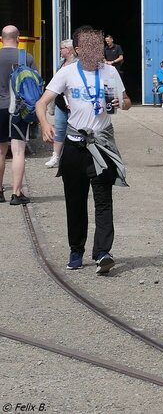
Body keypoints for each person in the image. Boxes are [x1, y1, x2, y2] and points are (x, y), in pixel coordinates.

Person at [34, 26, 130, 274]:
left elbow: (127, 101)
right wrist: (45, 124)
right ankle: (76, 250)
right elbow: (41, 103)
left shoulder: (109, 71)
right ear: (78, 50)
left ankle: (102, 253)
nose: (95, 50)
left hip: (102, 145)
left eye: (98, 45)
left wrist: (124, 103)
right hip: (75, 146)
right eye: (89, 46)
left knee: (103, 201)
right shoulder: (67, 73)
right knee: (75, 202)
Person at [0, 24, 30, 204]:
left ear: (2, 39)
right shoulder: (25, 57)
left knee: (0, 151)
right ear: (18, 38)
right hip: (18, 109)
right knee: (18, 151)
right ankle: (16, 194)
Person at [45, 38, 76, 169]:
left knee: (75, 132)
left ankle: (73, 157)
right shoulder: (60, 63)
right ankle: (55, 156)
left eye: (61, 48)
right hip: (60, 103)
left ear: (68, 50)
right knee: (59, 130)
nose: (60, 51)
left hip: (74, 105)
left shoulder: (78, 64)